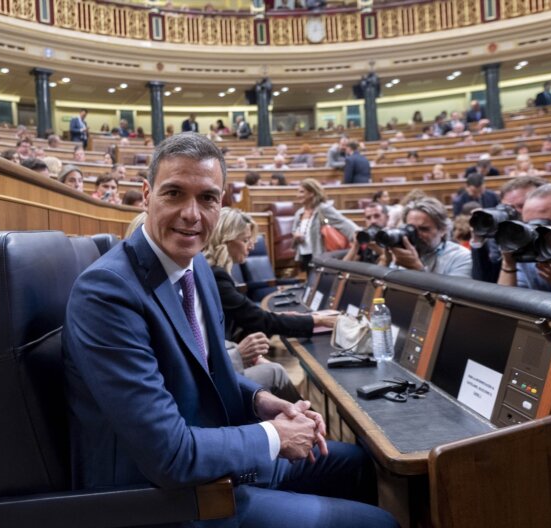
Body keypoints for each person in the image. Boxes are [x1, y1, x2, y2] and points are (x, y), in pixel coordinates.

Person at [62, 133, 397, 528]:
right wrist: (273, 436)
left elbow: (209, 373)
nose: (192, 214)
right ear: (147, 194)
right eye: (174, 193)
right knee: (379, 524)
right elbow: (169, 454)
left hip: (214, 460)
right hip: (164, 498)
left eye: (207, 198)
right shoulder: (107, 292)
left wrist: (261, 402)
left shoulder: (197, 267)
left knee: (358, 463)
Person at [204, 208, 337, 401]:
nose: (250, 246)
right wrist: (317, 320)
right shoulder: (216, 275)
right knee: (275, 372)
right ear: (225, 239)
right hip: (217, 372)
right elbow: (260, 320)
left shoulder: (213, 272)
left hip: (224, 355)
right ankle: (307, 421)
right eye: (244, 240)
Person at [471, 176, 547, 283]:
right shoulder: (501, 236)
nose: (513, 213)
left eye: (521, 206)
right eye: (507, 208)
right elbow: (484, 283)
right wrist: (478, 241)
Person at [388, 197, 472, 278]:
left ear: (443, 230)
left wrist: (417, 270)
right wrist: (385, 261)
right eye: (410, 228)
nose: (415, 235)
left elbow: (451, 292)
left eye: (423, 229)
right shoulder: (403, 253)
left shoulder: (462, 258)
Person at [292, 178, 358, 271]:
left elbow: (342, 222)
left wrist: (358, 234)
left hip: (319, 254)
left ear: (312, 193)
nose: (298, 195)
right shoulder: (299, 213)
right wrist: (296, 236)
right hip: (304, 254)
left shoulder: (323, 209)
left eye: (302, 192)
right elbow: (294, 230)